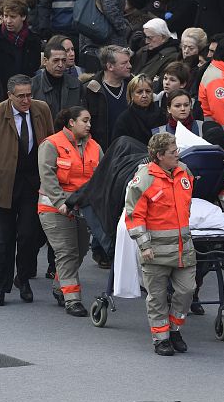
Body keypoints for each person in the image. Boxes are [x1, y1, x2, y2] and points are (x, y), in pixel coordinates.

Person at [0, 75, 55, 306]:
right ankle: (0, 287)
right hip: (2, 184)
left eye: (29, 94)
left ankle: (24, 279)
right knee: (3, 238)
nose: (26, 100)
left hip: (32, 184)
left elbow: (49, 143)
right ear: (10, 96)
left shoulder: (41, 110)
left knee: (29, 236)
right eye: (21, 96)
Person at [125, 132, 197, 356]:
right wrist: (144, 245)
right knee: (156, 298)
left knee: (187, 291)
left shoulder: (184, 172)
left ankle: (175, 330)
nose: (178, 155)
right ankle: (161, 338)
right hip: (154, 253)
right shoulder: (144, 179)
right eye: (173, 152)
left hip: (183, 249)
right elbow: (134, 216)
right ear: (159, 156)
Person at [38, 106, 102, 316]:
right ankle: (72, 298)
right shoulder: (52, 144)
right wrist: (60, 202)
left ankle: (60, 285)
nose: (89, 125)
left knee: (81, 250)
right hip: (54, 208)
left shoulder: (94, 146)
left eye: (90, 121)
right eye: (85, 120)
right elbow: (47, 177)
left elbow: (101, 177)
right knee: (66, 252)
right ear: (71, 122)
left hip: (81, 209)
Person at [0, 0, 42, 91]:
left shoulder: (34, 41)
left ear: (23, 16)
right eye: (5, 16)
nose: (8, 21)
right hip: (0, 93)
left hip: (25, 93)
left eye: (13, 17)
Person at [84, 45, 134, 151]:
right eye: (124, 63)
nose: (130, 66)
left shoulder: (135, 86)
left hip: (130, 151)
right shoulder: (90, 89)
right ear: (110, 66)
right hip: (100, 152)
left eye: (129, 62)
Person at [32, 42, 83, 120]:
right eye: (56, 60)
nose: (60, 65)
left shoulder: (76, 85)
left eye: (63, 60)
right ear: (45, 61)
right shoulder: (33, 85)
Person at [112, 75, 165, 145]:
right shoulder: (124, 119)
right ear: (132, 95)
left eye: (148, 91)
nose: (144, 95)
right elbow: (119, 146)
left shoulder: (161, 114)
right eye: (139, 92)